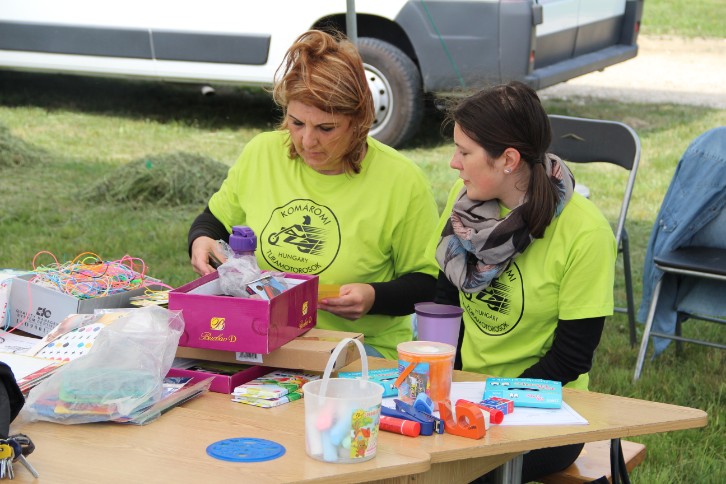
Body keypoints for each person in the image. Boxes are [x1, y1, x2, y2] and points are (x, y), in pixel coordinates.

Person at [188, 30, 439, 359]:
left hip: (357, 349)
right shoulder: (262, 153)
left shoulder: (401, 180)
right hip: (262, 339)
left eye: (326, 128)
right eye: (296, 123)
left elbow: (429, 283)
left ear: (358, 121)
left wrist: (373, 297)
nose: (307, 141)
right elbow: (214, 220)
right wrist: (201, 239)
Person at [431, 81, 616, 482]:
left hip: (550, 407)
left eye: (464, 152)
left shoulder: (586, 233)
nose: (453, 163)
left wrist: (489, 401)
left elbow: (570, 359)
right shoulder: (464, 205)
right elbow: (446, 301)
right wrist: (446, 390)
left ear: (509, 160)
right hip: (468, 393)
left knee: (457, 472)